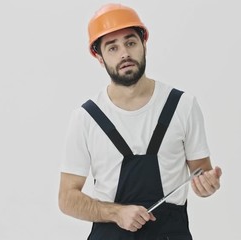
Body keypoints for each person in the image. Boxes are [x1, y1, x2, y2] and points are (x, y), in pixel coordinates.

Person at [59, 3, 222, 239]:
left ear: (144, 44)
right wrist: (116, 213)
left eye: (130, 43)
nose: (124, 53)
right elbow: (67, 199)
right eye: (112, 48)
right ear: (100, 58)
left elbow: (201, 174)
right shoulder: (85, 119)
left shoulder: (183, 106)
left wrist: (208, 185)